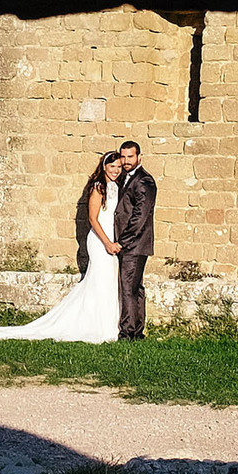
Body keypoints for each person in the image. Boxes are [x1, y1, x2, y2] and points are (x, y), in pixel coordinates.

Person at [0, 150, 126, 343]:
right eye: (112, 167)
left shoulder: (116, 186)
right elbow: (93, 219)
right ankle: (96, 326)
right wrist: (107, 243)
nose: (116, 170)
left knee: (107, 281)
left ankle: (109, 323)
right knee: (100, 280)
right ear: (104, 167)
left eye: (119, 167)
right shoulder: (98, 187)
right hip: (100, 240)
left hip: (111, 239)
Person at [111, 139, 157, 341]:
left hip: (134, 244)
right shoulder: (127, 177)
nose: (126, 160)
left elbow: (140, 216)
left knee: (129, 287)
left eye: (130, 156)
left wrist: (123, 241)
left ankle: (127, 333)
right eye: (123, 156)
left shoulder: (144, 181)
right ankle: (137, 331)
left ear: (139, 157)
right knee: (135, 287)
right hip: (134, 244)